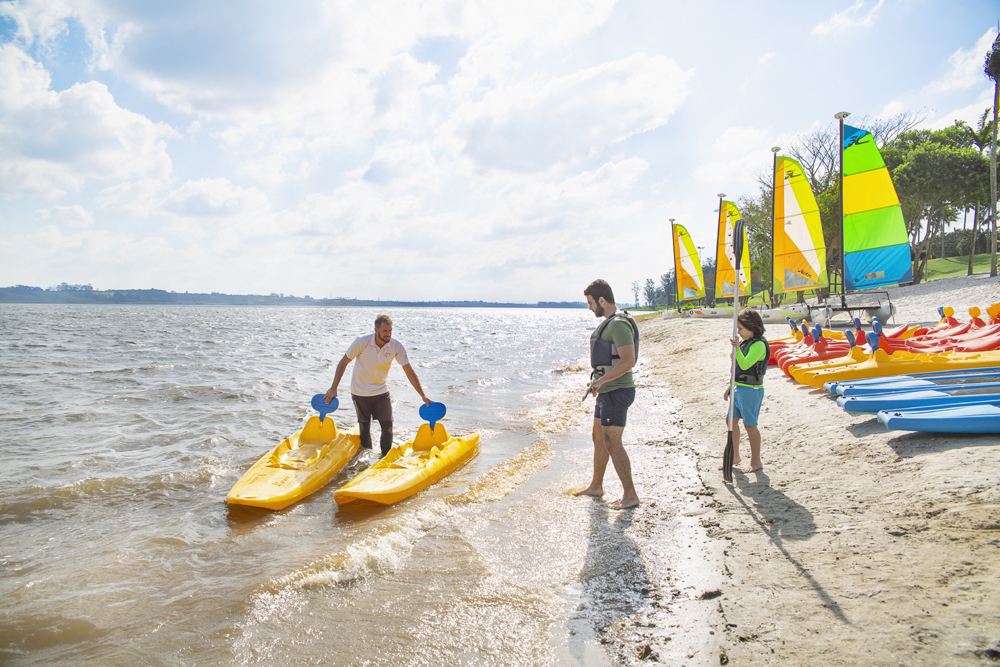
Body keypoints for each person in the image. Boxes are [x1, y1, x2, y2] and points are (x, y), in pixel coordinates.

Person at [324, 314, 431, 456]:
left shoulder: (396, 346)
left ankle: (384, 459)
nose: (388, 334)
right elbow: (343, 363)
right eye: (385, 331)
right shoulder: (361, 342)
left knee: (387, 427)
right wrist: (334, 387)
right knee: (364, 428)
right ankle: (363, 463)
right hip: (360, 392)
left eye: (390, 331)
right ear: (376, 329)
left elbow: (409, 371)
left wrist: (423, 395)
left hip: (381, 392)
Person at [575, 279, 640, 509]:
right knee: (598, 437)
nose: (590, 308)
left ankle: (630, 495)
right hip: (606, 390)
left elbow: (628, 361)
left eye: (591, 303)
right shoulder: (610, 323)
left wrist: (601, 380)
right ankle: (596, 486)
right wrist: (597, 380)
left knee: (613, 441)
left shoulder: (619, 324)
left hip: (617, 391)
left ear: (602, 300)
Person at [722, 308, 769, 473]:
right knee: (730, 421)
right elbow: (736, 368)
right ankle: (735, 456)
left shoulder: (759, 345)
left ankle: (756, 461)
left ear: (752, 327)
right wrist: (730, 387)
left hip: (751, 390)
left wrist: (736, 349)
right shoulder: (744, 343)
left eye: (741, 329)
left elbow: (746, 364)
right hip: (738, 388)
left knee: (750, 425)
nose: (739, 333)